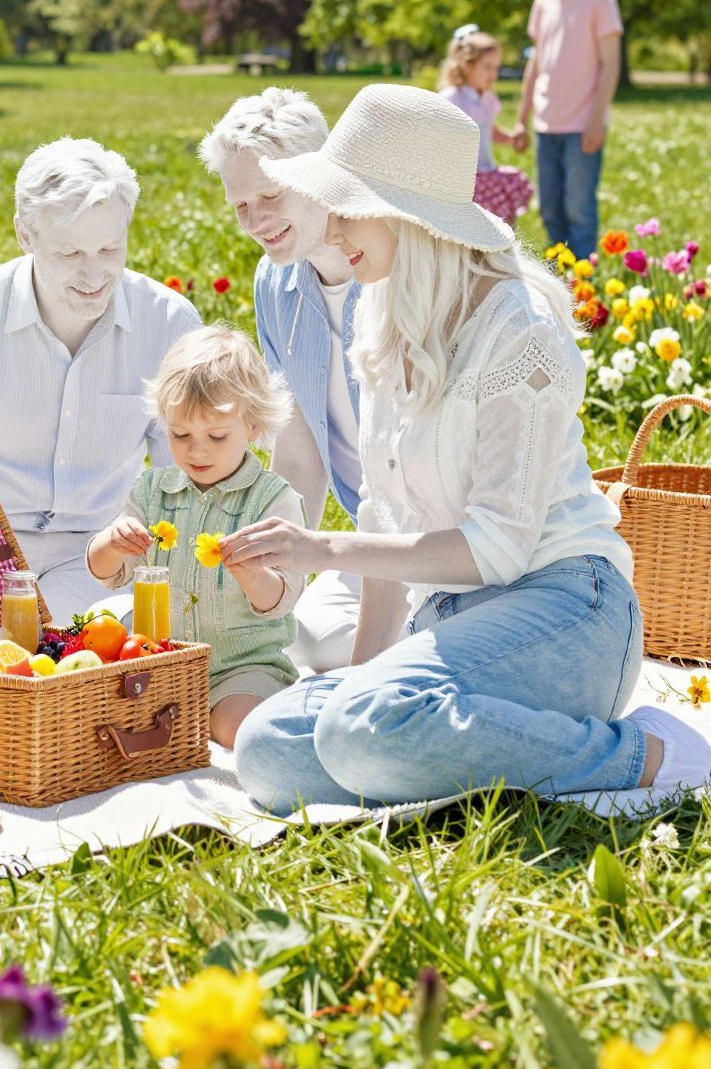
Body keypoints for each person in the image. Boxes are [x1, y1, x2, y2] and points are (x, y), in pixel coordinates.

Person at [226, 84, 711, 814]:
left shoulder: (518, 332)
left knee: (363, 728)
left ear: (408, 217)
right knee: (267, 749)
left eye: (349, 207)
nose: (331, 224)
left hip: (569, 609)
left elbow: (500, 551)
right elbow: (388, 529)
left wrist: (322, 551)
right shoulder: (387, 319)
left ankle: (652, 753)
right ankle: (416, 736)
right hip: (453, 619)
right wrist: (362, 684)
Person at [0, 138, 201, 622]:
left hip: (104, 556)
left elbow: (186, 478)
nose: (94, 274)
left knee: (125, 632)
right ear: (26, 235)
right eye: (69, 253)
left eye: (110, 249)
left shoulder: (168, 322)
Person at [199, 87, 363, 672]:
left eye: (271, 195)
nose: (258, 222)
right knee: (305, 639)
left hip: (442, 535)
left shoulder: (394, 270)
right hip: (377, 538)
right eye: (241, 206)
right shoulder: (277, 283)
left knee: (362, 652)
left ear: (323, 176)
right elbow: (298, 450)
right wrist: (272, 579)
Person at [87, 327, 304, 750]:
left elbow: (283, 597)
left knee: (238, 729)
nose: (196, 451)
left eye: (216, 436)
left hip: (241, 667)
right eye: (179, 435)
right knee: (91, 712)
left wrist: (253, 574)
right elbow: (105, 574)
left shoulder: (272, 500)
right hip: (155, 661)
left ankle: (234, 717)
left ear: (253, 426)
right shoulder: (152, 492)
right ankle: (180, 719)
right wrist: (112, 543)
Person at [516, 0, 623, 262]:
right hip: (547, 125)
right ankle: (559, 282)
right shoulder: (543, 3)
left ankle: (582, 286)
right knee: (550, 209)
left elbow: (610, 65)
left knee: (579, 209)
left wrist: (596, 121)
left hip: (582, 127)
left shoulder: (600, 1)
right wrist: (522, 117)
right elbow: (536, 63)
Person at [438, 27, 533, 226]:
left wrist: (510, 137)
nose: (493, 74)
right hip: (465, 177)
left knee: (506, 211)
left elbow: (489, 131)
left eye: (496, 68)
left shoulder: (487, 99)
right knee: (474, 225)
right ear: (466, 66)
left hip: (487, 171)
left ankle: (504, 250)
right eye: (487, 67)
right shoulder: (453, 98)